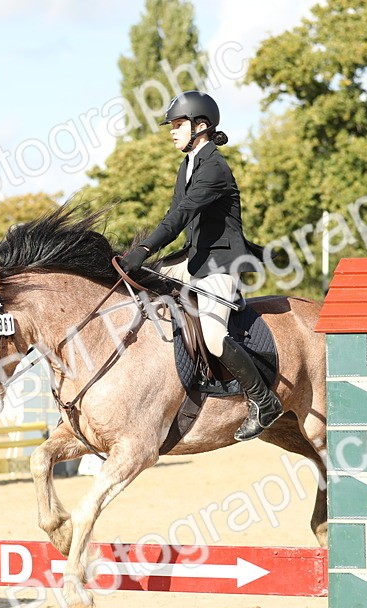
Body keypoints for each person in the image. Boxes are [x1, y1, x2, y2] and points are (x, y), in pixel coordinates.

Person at [119, 90, 282, 441]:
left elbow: (181, 215)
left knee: (213, 335)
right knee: (136, 281)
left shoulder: (215, 168)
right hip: (193, 258)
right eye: (172, 126)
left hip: (221, 262)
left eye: (178, 125)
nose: (172, 131)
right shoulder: (187, 165)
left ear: (201, 126)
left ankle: (263, 400)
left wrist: (145, 248)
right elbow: (175, 216)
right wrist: (143, 260)